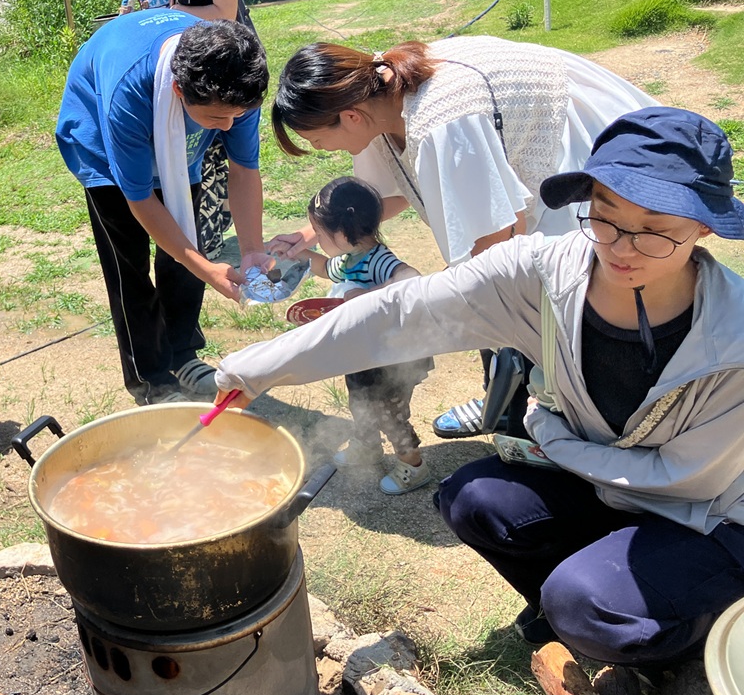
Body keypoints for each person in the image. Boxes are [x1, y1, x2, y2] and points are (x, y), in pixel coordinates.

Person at [216, 107, 744, 667]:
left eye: (656, 231)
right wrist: (256, 369)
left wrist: (549, 433)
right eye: (605, 217)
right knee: (473, 498)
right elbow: (398, 311)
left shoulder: (731, 339)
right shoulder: (541, 273)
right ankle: (591, 604)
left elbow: (683, 479)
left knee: (584, 604)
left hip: (704, 512)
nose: (621, 248)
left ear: (705, 225)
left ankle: (679, 637)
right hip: (607, 481)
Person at [266, 36, 657, 440]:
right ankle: (502, 399)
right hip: (519, 150)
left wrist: (433, 309)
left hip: (577, 142)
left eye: (316, 140)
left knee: (558, 296)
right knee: (503, 299)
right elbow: (381, 196)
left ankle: (560, 416)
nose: (321, 149)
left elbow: (499, 240)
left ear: (349, 117)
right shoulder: (374, 101)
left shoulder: (442, 124)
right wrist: (308, 234)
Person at [55, 12, 272, 405]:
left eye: (235, 116)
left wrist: (252, 247)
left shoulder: (237, 86)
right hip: (102, 142)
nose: (227, 127)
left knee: (186, 240)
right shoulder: (129, 96)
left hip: (177, 138)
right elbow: (139, 198)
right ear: (177, 89)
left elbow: (243, 170)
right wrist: (207, 270)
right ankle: (152, 379)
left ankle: (183, 353)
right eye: (216, 118)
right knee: (130, 265)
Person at [135, 0, 248, 262]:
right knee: (197, 155)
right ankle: (202, 240)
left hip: (228, 63)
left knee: (223, 155)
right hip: (197, 60)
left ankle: (212, 241)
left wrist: (175, 11)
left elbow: (226, 12)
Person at [304, 177, 432, 494]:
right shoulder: (348, 258)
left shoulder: (378, 260)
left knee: (390, 413)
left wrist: (366, 294)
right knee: (360, 401)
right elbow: (323, 267)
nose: (318, 240)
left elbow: (411, 278)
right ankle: (367, 447)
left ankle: (414, 466)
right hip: (363, 354)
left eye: (320, 234)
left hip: (395, 358)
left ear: (345, 231)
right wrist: (295, 254)